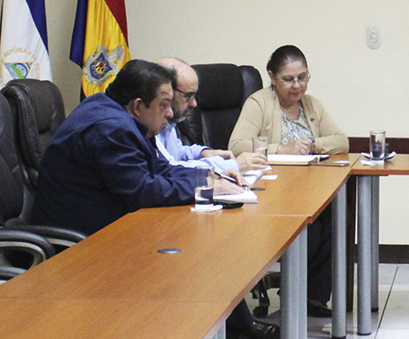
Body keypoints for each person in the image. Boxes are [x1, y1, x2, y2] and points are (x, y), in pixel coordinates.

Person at [30, 60, 275, 339]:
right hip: (80, 244)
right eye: (163, 105)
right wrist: (206, 186)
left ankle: (234, 329)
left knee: (200, 242)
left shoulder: (118, 114)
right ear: (138, 105)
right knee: (196, 250)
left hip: (107, 225)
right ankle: (231, 330)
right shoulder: (112, 129)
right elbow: (144, 191)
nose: (170, 113)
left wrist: (208, 180)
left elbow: (158, 169)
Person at [229, 45, 349, 317]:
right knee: (311, 224)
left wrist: (312, 144)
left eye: (303, 77)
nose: (297, 86)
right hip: (271, 190)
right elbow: (236, 146)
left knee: (338, 215)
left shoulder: (311, 104)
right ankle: (296, 290)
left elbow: (341, 141)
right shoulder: (259, 103)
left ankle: (313, 297)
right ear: (272, 77)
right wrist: (281, 149)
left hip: (310, 186)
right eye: (289, 79)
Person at [154, 58, 267, 175]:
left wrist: (203, 152)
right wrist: (234, 165)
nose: (194, 103)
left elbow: (177, 151)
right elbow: (171, 170)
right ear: (167, 92)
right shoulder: (148, 124)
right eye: (188, 96)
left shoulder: (167, 122)